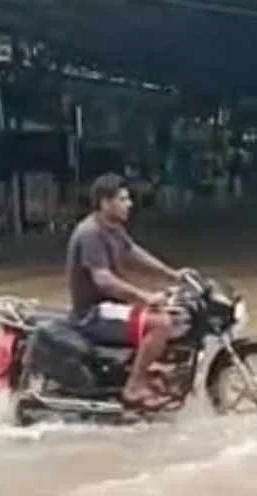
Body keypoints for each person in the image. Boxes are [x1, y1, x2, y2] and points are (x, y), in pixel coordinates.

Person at [66, 173, 187, 411]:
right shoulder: (90, 233)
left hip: (112, 305)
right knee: (160, 324)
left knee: (177, 314)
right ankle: (133, 387)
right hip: (94, 313)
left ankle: (151, 370)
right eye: (122, 199)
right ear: (104, 202)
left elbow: (133, 253)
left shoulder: (113, 228)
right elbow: (103, 280)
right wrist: (145, 297)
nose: (129, 204)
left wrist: (172, 274)